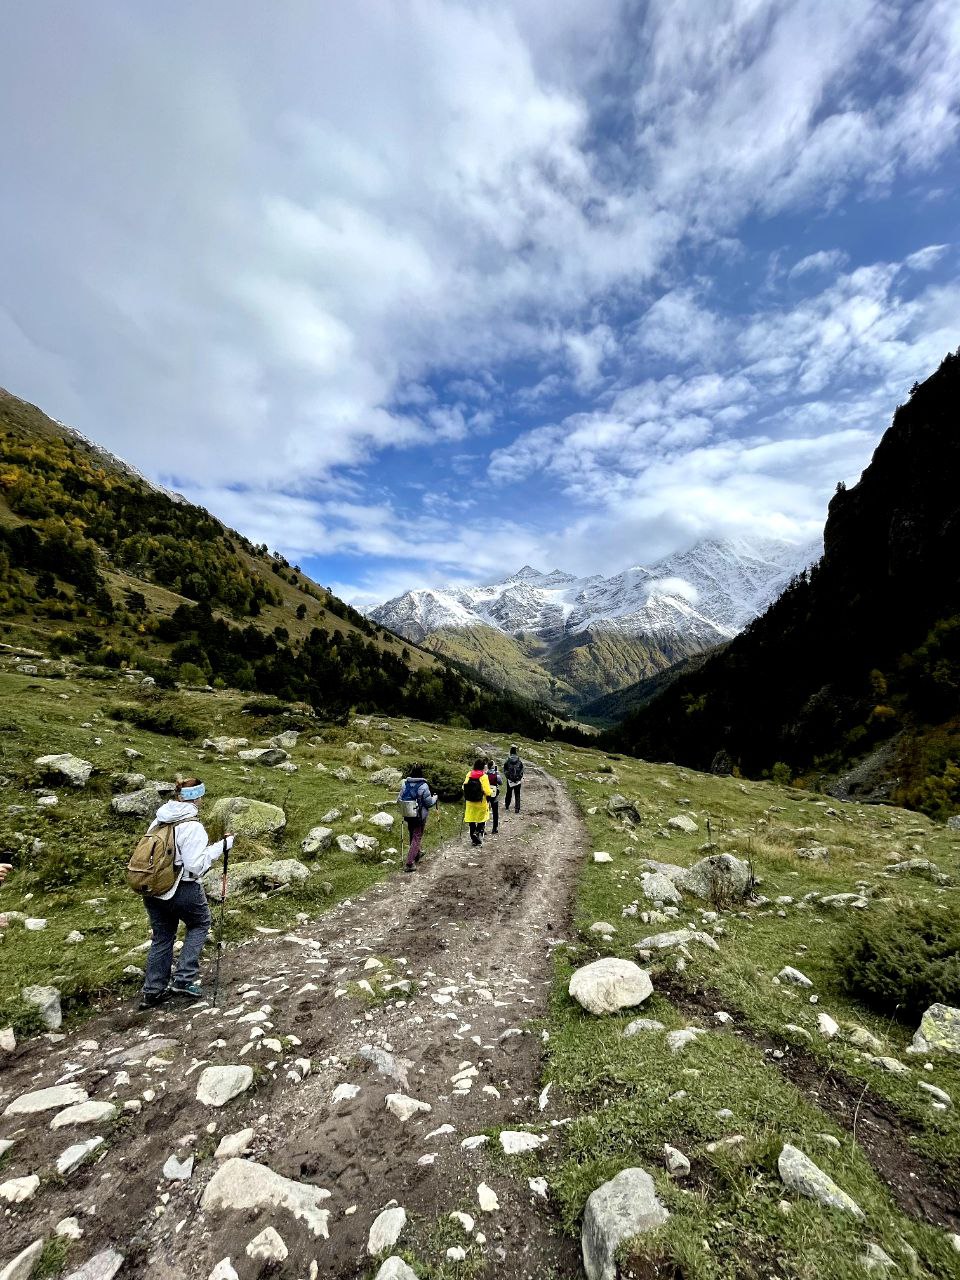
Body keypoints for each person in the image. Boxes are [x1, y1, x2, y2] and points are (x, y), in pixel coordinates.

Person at [138, 779, 234, 1009]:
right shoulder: (192, 826)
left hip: (153, 888)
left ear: (178, 796)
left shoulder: (158, 820)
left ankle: (152, 990)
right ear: (198, 798)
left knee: (162, 936)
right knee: (200, 924)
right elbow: (195, 865)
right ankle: (183, 978)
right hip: (183, 887)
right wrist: (222, 847)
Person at [397, 764, 439, 873]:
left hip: (408, 814)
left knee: (413, 833)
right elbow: (429, 803)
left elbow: (399, 799)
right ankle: (410, 863)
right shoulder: (423, 786)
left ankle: (417, 853)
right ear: (421, 773)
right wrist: (435, 798)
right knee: (417, 836)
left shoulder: (405, 784)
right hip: (419, 816)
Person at [463, 758, 493, 846]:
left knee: (471, 820)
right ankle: (477, 832)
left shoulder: (469, 774)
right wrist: (490, 793)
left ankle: (473, 839)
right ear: (483, 767)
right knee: (482, 818)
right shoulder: (484, 776)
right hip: (481, 802)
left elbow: (463, 786)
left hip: (470, 802)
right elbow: (487, 791)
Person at [503, 745, 524, 812]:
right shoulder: (519, 760)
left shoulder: (507, 760)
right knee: (517, 794)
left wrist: (508, 777)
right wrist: (519, 777)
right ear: (516, 752)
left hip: (510, 780)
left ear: (510, 752)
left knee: (509, 793)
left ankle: (507, 806)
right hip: (517, 780)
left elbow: (505, 770)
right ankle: (517, 808)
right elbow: (522, 770)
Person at [485, 759, 502, 835]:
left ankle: (483, 828)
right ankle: (494, 828)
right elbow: (500, 783)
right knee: (495, 812)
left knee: (485, 811)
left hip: (486, 795)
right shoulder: (496, 774)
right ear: (493, 766)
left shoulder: (485, 774)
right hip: (494, 794)